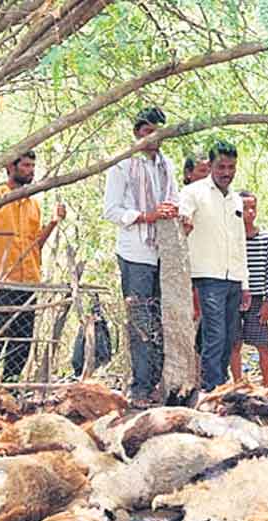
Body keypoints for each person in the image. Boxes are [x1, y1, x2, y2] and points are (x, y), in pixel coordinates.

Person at [0, 150, 65, 384]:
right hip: (1, 275)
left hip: (28, 278)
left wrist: (54, 223)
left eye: (32, 166)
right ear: (10, 167)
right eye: (25, 166)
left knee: (22, 337)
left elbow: (36, 245)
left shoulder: (32, 203)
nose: (30, 171)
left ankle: (10, 385)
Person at [102, 107, 179, 407]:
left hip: (164, 251)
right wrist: (146, 216)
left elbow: (173, 199)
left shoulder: (166, 165)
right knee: (140, 322)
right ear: (137, 132)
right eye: (147, 131)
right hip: (136, 253)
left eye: (158, 131)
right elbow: (111, 210)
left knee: (161, 320)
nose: (153, 137)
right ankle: (140, 388)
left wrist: (173, 212)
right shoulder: (122, 166)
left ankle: (159, 384)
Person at [179, 141, 250, 392]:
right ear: (211, 166)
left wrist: (245, 284)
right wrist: (184, 222)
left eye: (231, 167)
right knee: (215, 334)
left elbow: (240, 241)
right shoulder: (193, 193)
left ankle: (220, 387)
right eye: (221, 166)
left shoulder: (235, 199)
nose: (226, 172)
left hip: (233, 278)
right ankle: (211, 389)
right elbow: (182, 221)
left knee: (231, 337)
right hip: (207, 275)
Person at [231, 190, 268, 386]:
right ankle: (238, 384)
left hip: (258, 298)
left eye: (253, 208)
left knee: (262, 344)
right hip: (234, 296)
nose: (250, 212)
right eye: (244, 208)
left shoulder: (265, 238)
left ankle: (267, 385)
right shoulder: (231, 238)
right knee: (234, 343)